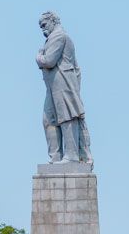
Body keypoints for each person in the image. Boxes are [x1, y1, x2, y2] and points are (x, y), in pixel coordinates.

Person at [36, 12, 92, 164]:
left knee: (67, 117)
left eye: (44, 25)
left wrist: (38, 57)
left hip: (63, 82)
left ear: (53, 21)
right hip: (53, 85)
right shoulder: (52, 38)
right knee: (49, 120)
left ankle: (71, 155)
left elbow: (49, 61)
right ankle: (55, 157)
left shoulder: (59, 36)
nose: (42, 29)